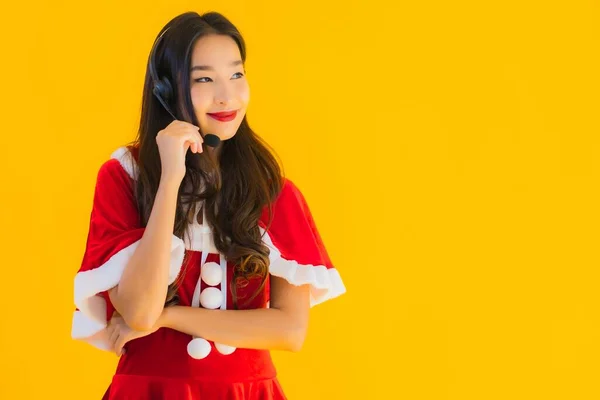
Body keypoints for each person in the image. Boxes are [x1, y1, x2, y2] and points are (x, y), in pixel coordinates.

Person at [70, 10, 346, 399]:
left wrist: (170, 318)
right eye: (204, 79)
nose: (226, 95)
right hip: (150, 390)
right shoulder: (126, 176)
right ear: (166, 91)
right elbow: (139, 313)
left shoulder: (272, 191)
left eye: (236, 74)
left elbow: (290, 331)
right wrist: (170, 178)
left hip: (248, 391)